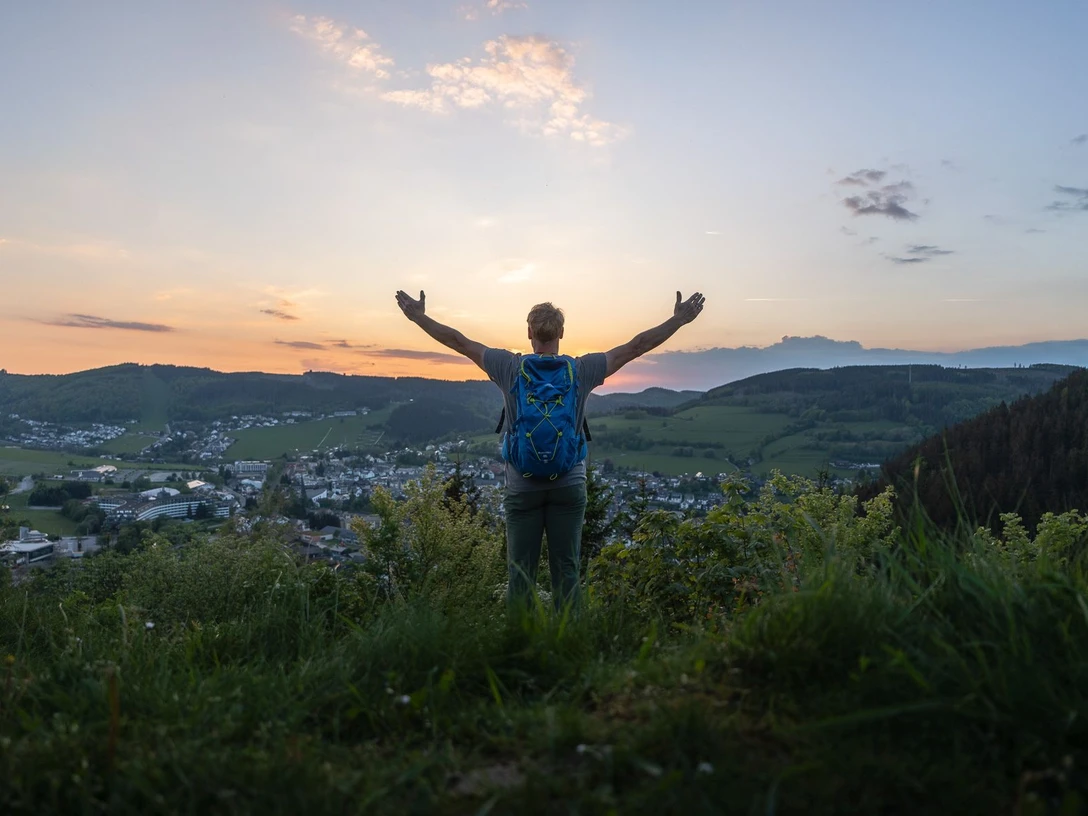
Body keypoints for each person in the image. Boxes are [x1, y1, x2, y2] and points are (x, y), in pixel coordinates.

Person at [394, 288, 706, 612]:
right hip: (569, 484)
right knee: (567, 572)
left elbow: (459, 342)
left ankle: (523, 651)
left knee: (520, 576)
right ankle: (568, 650)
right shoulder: (583, 369)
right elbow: (636, 347)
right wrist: (678, 320)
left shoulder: (507, 366)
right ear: (562, 333)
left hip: (522, 487)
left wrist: (418, 317)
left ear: (529, 333)